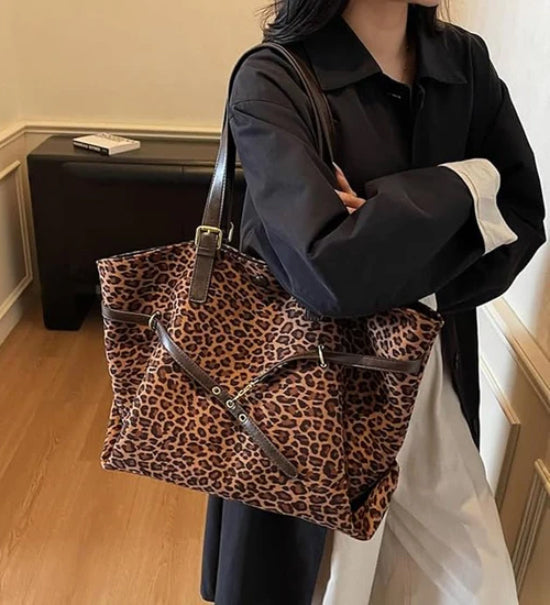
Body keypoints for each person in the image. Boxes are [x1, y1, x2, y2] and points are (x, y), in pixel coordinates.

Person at [200, 1, 547, 604]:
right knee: (329, 586)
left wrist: (387, 215)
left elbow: (521, 218)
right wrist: (467, 185)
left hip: (432, 391)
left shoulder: (463, 61)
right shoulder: (274, 76)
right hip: (311, 406)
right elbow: (331, 272)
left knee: (481, 587)